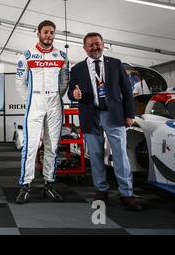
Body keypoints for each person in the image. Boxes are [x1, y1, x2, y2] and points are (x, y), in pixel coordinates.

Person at [68, 32, 142, 211]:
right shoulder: (77, 69)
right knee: (95, 155)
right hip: (89, 115)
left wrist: (130, 114)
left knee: (121, 155)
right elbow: (71, 92)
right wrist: (74, 94)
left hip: (113, 115)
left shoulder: (115, 64)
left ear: (104, 44)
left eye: (98, 44)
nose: (95, 47)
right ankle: (101, 190)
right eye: (91, 45)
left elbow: (127, 91)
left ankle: (126, 193)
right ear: (85, 48)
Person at [15, 20, 69, 203]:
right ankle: (26, 185)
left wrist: (55, 96)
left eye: (52, 32)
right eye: (46, 32)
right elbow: (20, 83)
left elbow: (64, 82)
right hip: (35, 102)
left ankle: (49, 184)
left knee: (52, 146)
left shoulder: (62, 55)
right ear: (38, 33)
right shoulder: (27, 55)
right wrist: (31, 99)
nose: (49, 35)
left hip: (55, 101)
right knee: (30, 146)